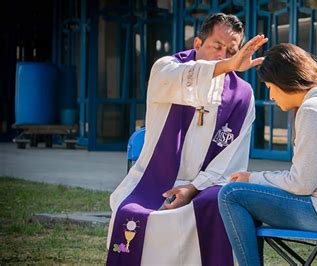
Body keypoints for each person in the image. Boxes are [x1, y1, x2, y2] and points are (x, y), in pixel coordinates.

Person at [106, 13, 267, 265]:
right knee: (132, 214)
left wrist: (192, 188)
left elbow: (231, 160)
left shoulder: (243, 96)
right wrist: (228, 64)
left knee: (215, 207)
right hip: (152, 181)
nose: (225, 56)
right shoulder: (166, 68)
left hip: (203, 185)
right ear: (197, 44)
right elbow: (188, 79)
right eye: (218, 46)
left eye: (232, 51)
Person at [218, 43, 317, 265]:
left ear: (286, 80)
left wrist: (252, 177)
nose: (271, 96)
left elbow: (301, 183)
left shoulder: (314, 111)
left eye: (270, 87)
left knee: (231, 194)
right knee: (244, 195)